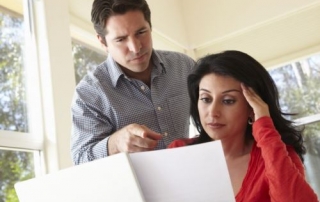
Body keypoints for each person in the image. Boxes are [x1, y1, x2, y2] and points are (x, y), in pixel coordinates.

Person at [168, 50, 319, 202]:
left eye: (228, 101)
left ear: (252, 107)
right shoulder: (179, 152)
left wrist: (264, 127)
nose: (213, 112)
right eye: (206, 99)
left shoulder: (275, 155)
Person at [70, 0, 195, 165]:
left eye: (141, 32)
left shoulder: (184, 67)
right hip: (134, 189)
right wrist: (115, 144)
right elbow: (80, 159)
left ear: (150, 27)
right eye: (121, 39)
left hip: (190, 177)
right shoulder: (89, 93)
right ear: (102, 42)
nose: (136, 48)